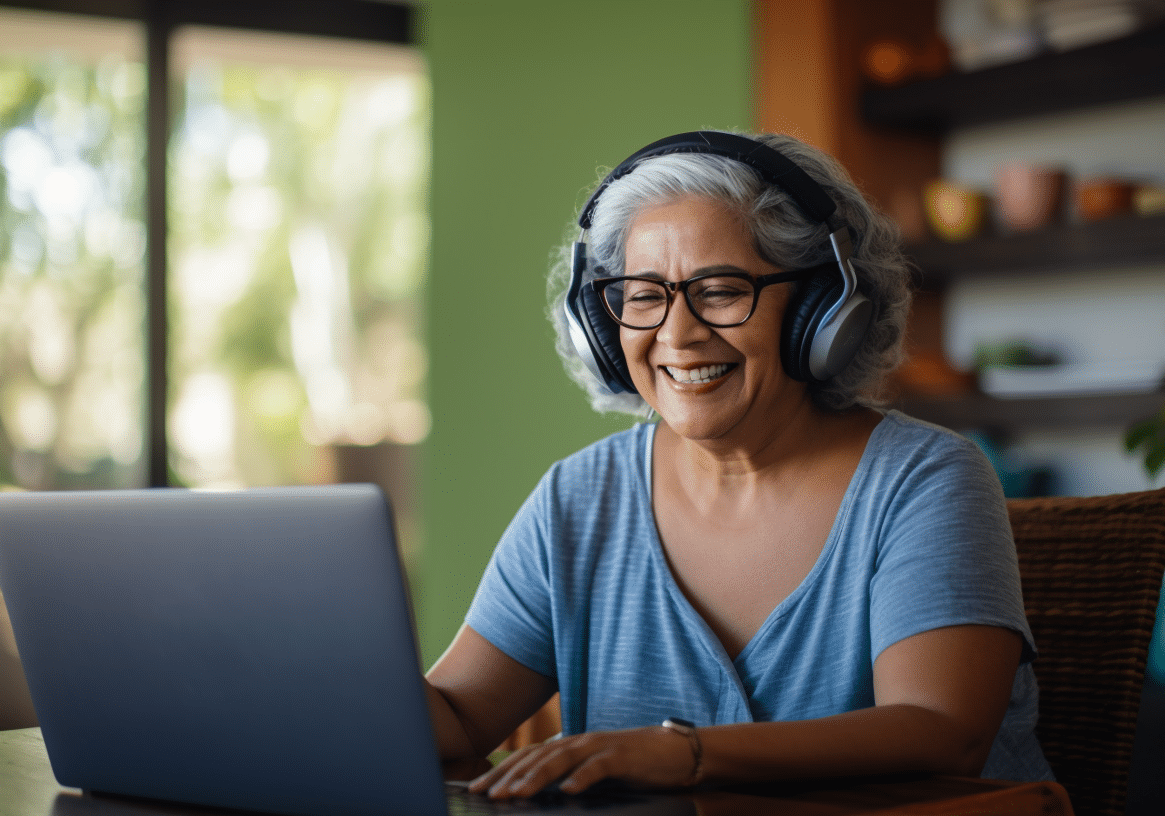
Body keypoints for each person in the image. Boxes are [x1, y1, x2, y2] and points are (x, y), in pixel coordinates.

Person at [424, 131, 1053, 799]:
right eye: (643, 296)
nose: (677, 333)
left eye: (720, 290)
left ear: (822, 308)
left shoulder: (925, 479)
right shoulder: (576, 499)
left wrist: (681, 754)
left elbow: (941, 731)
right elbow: (459, 720)